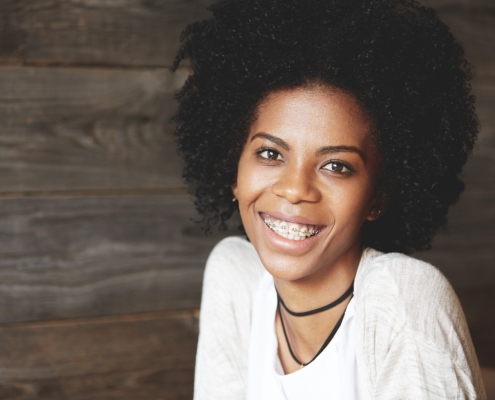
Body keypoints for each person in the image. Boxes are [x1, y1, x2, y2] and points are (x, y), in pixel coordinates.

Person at [173, 0, 486, 398]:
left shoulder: (403, 299)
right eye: (271, 154)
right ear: (231, 170)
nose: (295, 188)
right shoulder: (237, 277)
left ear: (379, 196)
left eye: (336, 166)